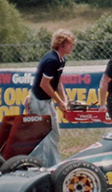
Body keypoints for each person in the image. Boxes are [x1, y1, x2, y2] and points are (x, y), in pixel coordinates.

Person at [26, 29, 75, 167]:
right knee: (46, 138)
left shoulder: (61, 60)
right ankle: (43, 166)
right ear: (62, 44)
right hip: (39, 101)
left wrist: (64, 100)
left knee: (53, 135)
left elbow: (57, 82)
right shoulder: (52, 60)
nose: (72, 46)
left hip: (45, 101)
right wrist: (59, 102)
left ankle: (46, 165)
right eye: (70, 43)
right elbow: (44, 84)